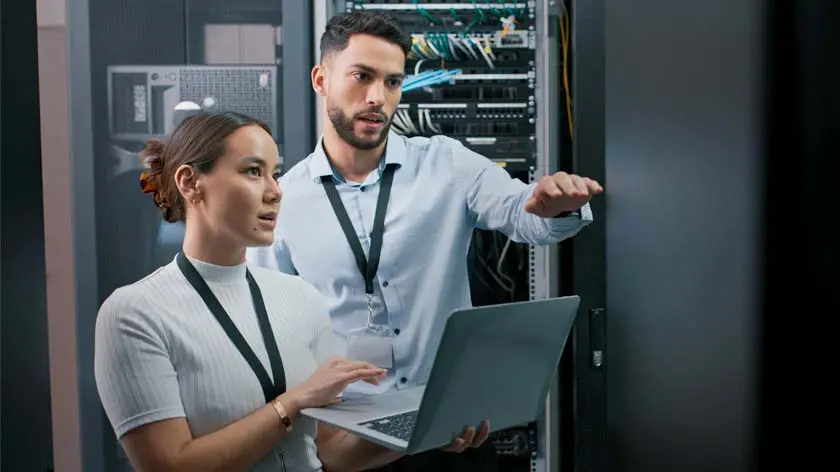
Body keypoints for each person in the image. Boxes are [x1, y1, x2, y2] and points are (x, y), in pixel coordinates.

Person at [246, 10, 604, 472]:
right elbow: (272, 333)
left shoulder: (446, 164)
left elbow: (523, 213)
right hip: (350, 441)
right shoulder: (285, 200)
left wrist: (555, 205)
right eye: (362, 76)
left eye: (393, 82)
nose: (377, 98)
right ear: (321, 79)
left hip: (453, 432)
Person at [93, 111, 486, 472]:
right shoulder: (135, 314)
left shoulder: (301, 297)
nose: (275, 191)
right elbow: (169, 466)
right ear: (190, 182)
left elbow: (332, 451)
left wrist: (428, 429)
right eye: (252, 172)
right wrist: (292, 402)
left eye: (275, 174)